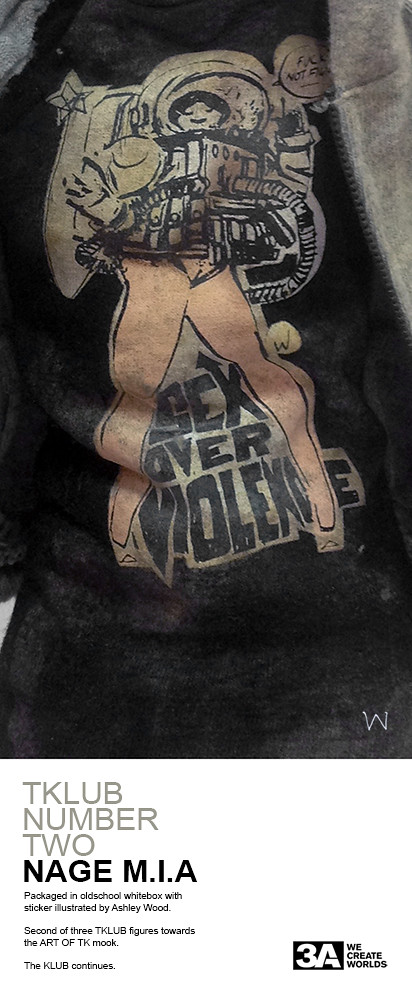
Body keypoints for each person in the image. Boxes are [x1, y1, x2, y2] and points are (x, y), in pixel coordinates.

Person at [0, 0, 411, 758]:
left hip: (364, 668)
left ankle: (322, 517)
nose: (199, 128)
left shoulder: (378, 33)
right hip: (93, 681)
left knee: (276, 392)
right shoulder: (27, 55)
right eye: (189, 117)